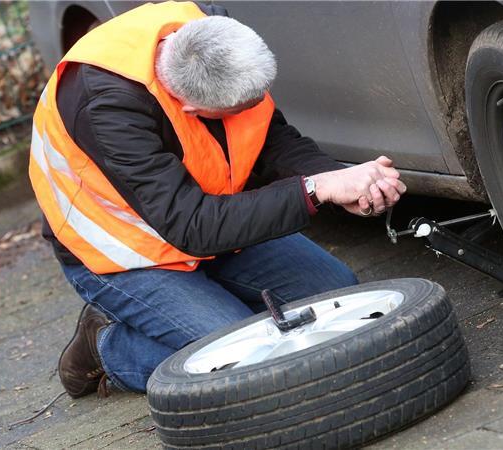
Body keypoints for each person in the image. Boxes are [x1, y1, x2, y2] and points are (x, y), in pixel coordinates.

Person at [28, 1, 406, 397]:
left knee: (336, 294)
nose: (252, 111)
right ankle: (107, 347)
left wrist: (337, 178)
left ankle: (210, 315)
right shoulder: (105, 105)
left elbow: (271, 138)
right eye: (235, 111)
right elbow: (190, 227)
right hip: (123, 253)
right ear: (190, 107)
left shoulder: (214, 37)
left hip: (207, 221)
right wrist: (314, 191)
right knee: (241, 356)